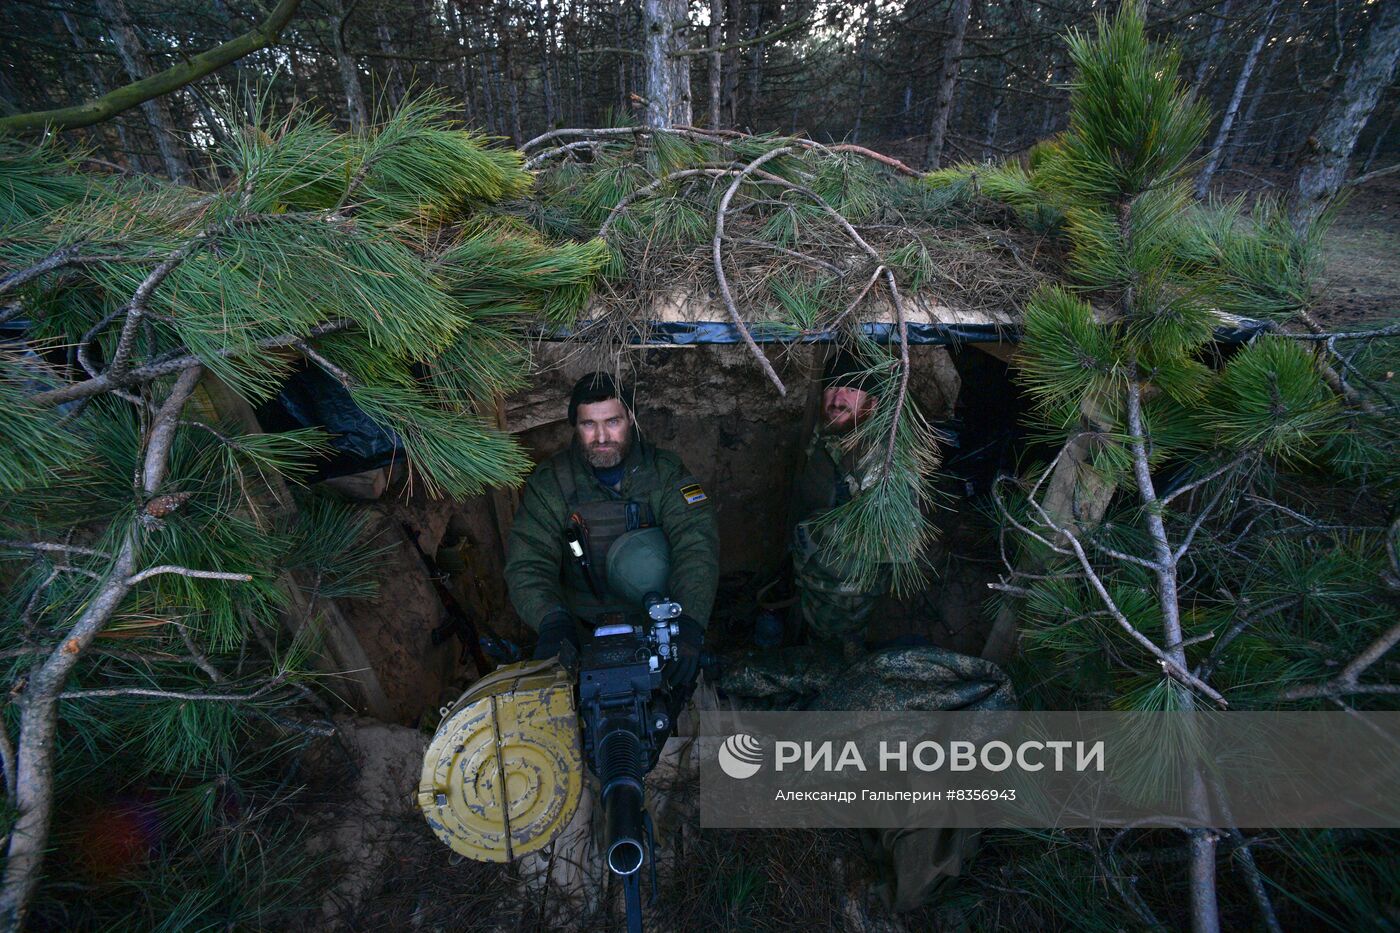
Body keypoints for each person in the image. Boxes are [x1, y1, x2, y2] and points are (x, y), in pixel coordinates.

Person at [504, 372, 719, 706]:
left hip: (657, 626)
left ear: (631, 419)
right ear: (575, 426)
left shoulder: (664, 473)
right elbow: (528, 561)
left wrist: (690, 622)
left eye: (613, 421)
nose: (602, 436)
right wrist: (551, 620)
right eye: (589, 424)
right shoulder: (552, 484)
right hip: (582, 631)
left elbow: (696, 545)